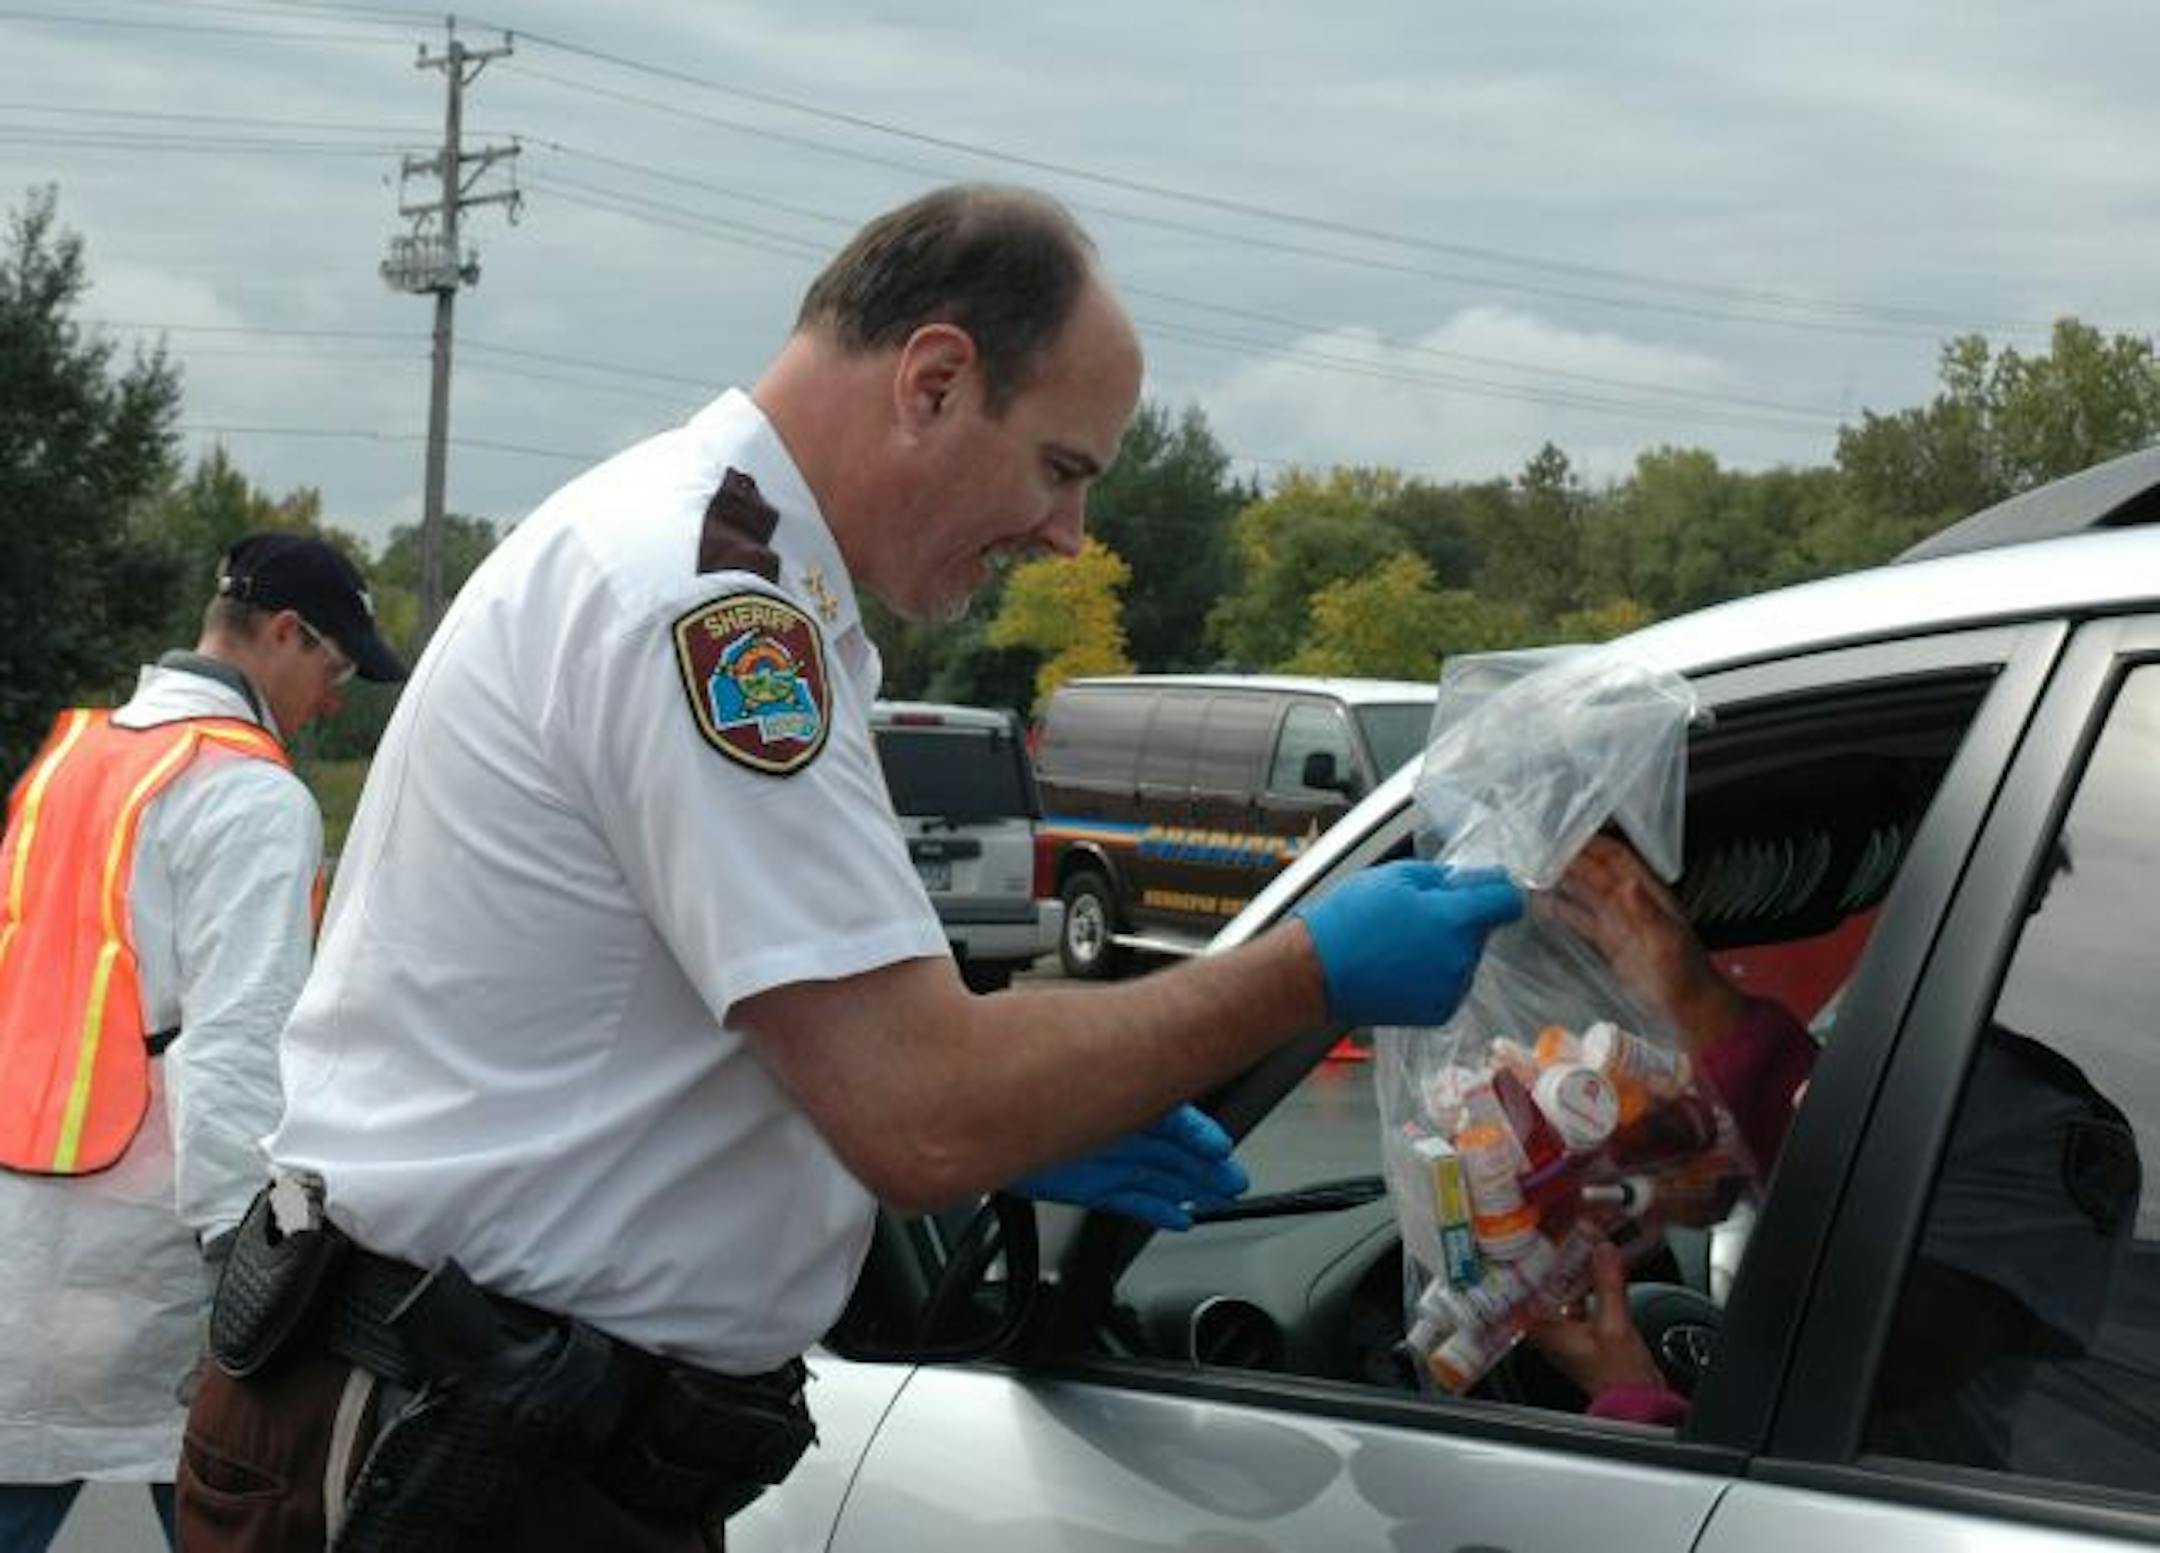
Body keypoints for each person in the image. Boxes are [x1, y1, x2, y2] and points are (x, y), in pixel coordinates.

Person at [177, 184, 1526, 1553]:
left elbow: (729, 1065)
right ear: (934, 381)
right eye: (1063, 469)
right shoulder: (710, 604)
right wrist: (1308, 973)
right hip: (453, 1445)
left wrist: (1039, 1107)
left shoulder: (713, 567)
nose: (1068, 535)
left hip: (496, 1422)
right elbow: (915, 1103)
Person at [0, 534, 404, 1551]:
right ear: (282, 632)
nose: (331, 699)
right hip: (151, 1247)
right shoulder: (250, 794)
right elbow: (236, 1041)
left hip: (25, 1227)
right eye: (333, 667)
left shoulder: (72, 760)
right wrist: (249, 1259)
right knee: (232, 1513)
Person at [1526, 836, 2139, 1458]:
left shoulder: (2045, 1123)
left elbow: (1864, 1341)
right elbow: (1767, 1163)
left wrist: (1631, 1396)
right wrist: (1685, 1168)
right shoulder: (1900, 1048)